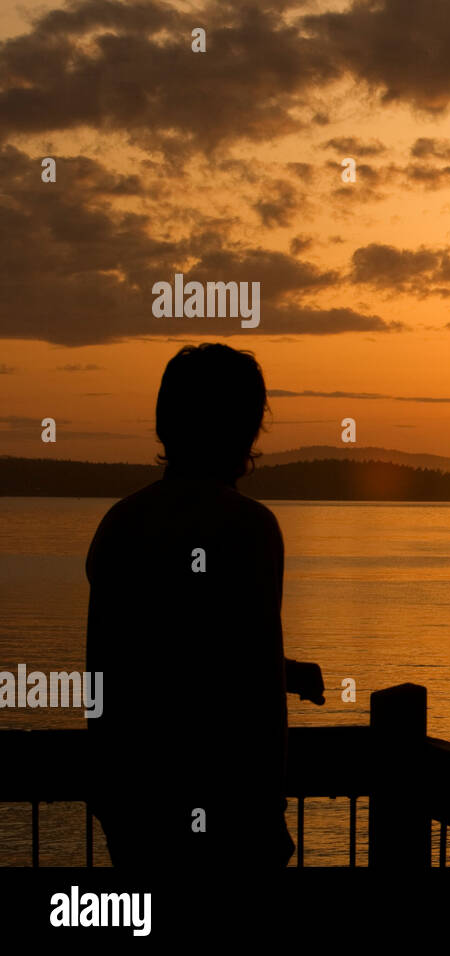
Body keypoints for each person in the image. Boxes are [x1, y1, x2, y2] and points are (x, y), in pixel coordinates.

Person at [84, 343, 324, 869]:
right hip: (233, 815)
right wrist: (266, 814)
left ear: (166, 425)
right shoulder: (250, 528)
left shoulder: (121, 525)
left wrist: (285, 671)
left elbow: (141, 658)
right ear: (244, 430)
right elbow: (240, 667)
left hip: (138, 808)